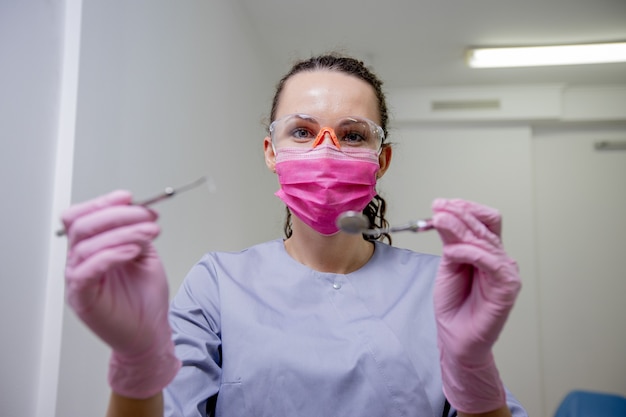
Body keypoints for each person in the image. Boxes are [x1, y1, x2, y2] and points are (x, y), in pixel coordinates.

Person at [61, 53, 528, 417]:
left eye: (353, 135)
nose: (326, 151)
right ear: (271, 151)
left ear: (380, 160)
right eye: (302, 132)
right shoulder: (218, 284)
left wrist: (474, 370)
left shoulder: (437, 287)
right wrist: (138, 364)